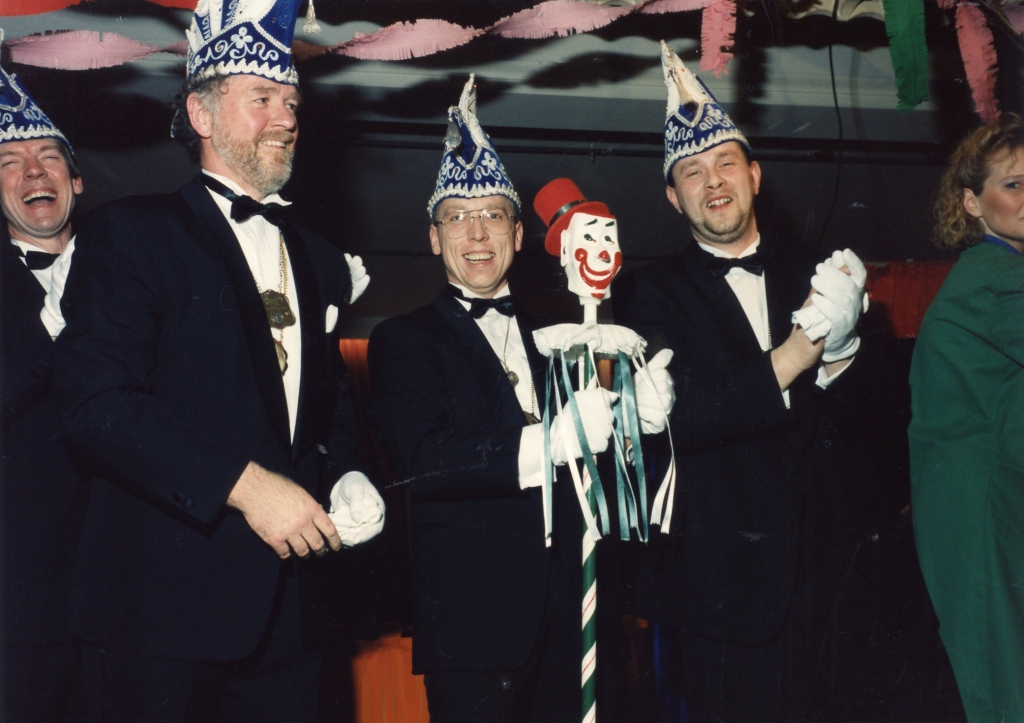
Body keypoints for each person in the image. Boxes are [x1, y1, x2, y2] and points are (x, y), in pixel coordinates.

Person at [53, 1, 384, 720]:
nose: (285, 117)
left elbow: (325, 403)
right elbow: (95, 404)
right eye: (261, 99)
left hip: (291, 619)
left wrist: (348, 470)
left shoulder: (321, 260)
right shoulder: (132, 233)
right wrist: (247, 487)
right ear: (201, 114)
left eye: (291, 102)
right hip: (159, 616)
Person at [612, 43, 873, 721]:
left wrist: (843, 351)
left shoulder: (818, 272)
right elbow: (679, 413)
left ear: (755, 174)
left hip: (826, 580)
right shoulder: (644, 294)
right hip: (718, 591)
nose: (713, 182)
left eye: (726, 162)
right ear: (673, 197)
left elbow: (874, 426)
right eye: (692, 172)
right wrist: (799, 353)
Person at [367, 76, 622, 723]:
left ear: (519, 233)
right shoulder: (402, 340)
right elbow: (423, 460)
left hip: (574, 617)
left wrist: (633, 416)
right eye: (457, 216)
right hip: (473, 627)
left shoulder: (566, 337)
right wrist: (547, 444)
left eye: (493, 215)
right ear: (434, 237)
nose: (477, 233)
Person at [909, 113, 1024, 722]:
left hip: (977, 505)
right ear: (971, 203)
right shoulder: (998, 277)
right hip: (985, 510)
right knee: (1006, 689)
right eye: (1013, 184)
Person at [0, 59, 87, 723]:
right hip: (18, 594)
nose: (34, 172)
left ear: (75, 180)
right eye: (11, 162)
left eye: (49, 156)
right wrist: (47, 335)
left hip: (127, 590)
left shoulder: (135, 274)